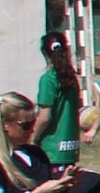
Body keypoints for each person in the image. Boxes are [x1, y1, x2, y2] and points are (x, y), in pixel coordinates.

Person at [35, 31, 88, 167]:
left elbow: (45, 117)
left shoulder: (48, 79)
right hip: (70, 145)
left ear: (45, 53)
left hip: (52, 149)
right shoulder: (72, 78)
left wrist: (32, 139)